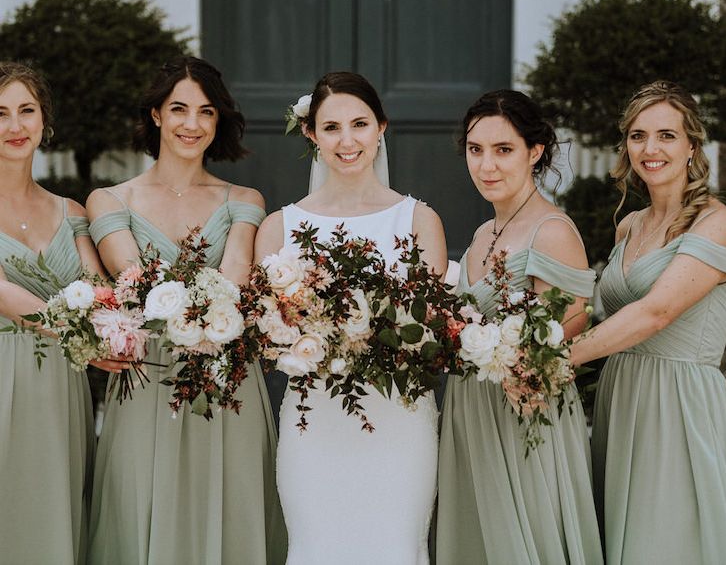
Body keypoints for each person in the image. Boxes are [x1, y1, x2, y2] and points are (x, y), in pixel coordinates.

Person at [86, 56, 286, 565]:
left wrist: (216, 310)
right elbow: (133, 278)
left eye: (206, 112)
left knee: (230, 508)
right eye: (178, 109)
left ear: (219, 122)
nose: (191, 124)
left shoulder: (244, 199)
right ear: (156, 115)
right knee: (139, 507)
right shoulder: (109, 200)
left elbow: (237, 277)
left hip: (225, 380)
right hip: (146, 379)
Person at [255, 71, 447, 564]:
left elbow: (433, 329)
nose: (347, 140)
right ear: (310, 134)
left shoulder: (418, 220)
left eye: (360, 124)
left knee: (397, 547)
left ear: (381, 128)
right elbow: (265, 336)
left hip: (398, 420)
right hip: (314, 420)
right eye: (332, 126)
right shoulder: (281, 227)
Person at [437, 89, 603, 564]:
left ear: (535, 152)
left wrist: (516, 361)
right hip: (473, 410)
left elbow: (567, 337)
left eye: (503, 150)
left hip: (525, 416)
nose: (486, 165)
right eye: (476, 150)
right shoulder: (480, 235)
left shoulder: (551, 231)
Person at [570, 80, 726, 564]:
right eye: (638, 136)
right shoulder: (630, 225)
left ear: (692, 148)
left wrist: (555, 357)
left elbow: (657, 312)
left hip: (678, 402)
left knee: (666, 541)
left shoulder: (717, 222)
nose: (650, 148)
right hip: (623, 395)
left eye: (666, 135)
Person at [0, 62, 103, 564]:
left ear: (45, 122)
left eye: (26, 111)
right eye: (0, 114)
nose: (14, 126)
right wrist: (77, 328)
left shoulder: (73, 211)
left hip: (62, 381)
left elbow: (99, 288)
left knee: (56, 508)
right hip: (3, 371)